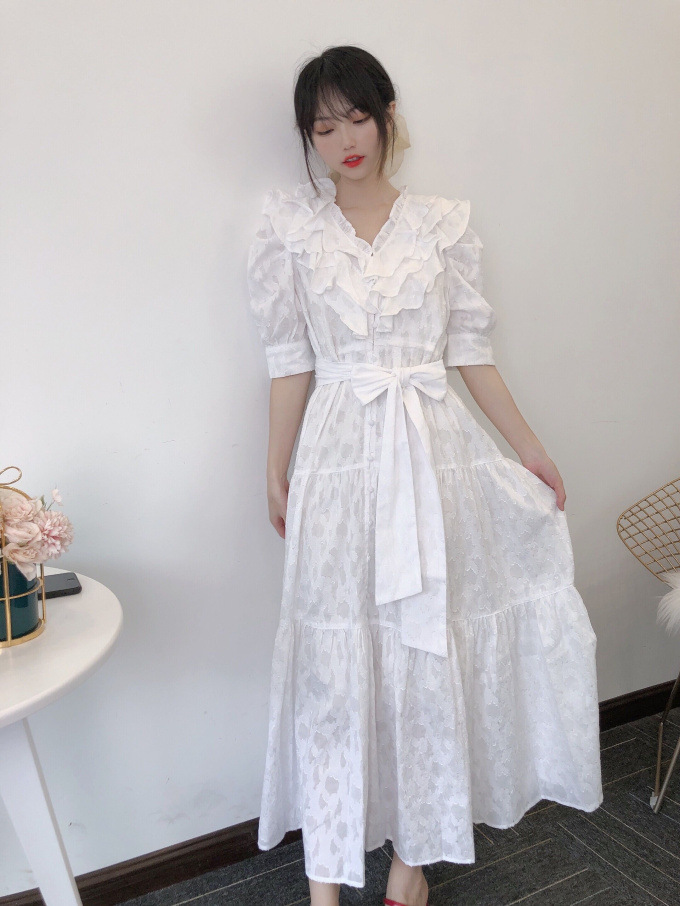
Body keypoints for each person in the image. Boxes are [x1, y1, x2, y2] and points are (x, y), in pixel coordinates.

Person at [246, 45, 603, 906]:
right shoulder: (288, 228)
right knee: (335, 663)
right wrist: (275, 468)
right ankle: (327, 878)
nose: (343, 141)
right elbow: (290, 361)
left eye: (356, 118)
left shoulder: (443, 225)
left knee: (424, 645)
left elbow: (470, 353)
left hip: (434, 455)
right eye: (322, 128)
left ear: (387, 115)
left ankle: (413, 861)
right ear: (308, 139)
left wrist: (529, 449)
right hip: (338, 459)